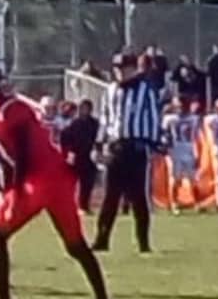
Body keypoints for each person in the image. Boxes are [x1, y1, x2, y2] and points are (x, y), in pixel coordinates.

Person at [0, 59, 112, 299]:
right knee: (75, 245)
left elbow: (22, 155)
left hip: (41, 179)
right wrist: (7, 186)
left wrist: (15, 190)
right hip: (51, 179)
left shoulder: (12, 110)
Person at [94, 53, 163, 253]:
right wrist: (99, 144)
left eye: (123, 68)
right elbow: (105, 118)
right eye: (116, 68)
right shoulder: (111, 90)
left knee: (138, 197)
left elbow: (153, 117)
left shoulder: (146, 89)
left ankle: (143, 242)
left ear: (133, 69)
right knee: (110, 197)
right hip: (116, 147)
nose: (119, 72)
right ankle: (102, 240)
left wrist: (154, 143)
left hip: (136, 148)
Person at [61, 100, 101, 213]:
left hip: (90, 157)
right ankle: (71, 206)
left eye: (86, 108)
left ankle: (84, 206)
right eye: (81, 108)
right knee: (72, 184)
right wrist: (67, 153)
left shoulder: (94, 124)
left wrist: (98, 151)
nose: (83, 110)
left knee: (88, 183)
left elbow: (99, 139)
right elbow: (65, 139)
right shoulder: (74, 124)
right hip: (76, 157)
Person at [161, 98, 200, 212]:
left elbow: (196, 136)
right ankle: (174, 203)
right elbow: (164, 134)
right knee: (175, 178)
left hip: (189, 149)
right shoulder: (170, 119)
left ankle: (197, 203)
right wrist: (166, 146)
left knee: (193, 179)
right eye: (179, 106)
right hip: (176, 150)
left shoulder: (194, 119)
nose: (181, 108)